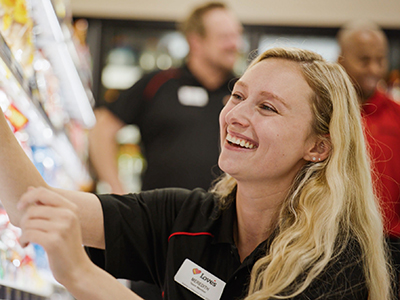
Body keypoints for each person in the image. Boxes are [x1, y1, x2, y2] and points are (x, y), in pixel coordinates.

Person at [0, 47, 393, 299]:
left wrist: (81, 275)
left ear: (318, 146)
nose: (236, 116)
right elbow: (30, 205)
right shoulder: (187, 217)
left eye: (267, 108)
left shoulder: (339, 261)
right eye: (237, 96)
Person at [88, 2, 243, 194]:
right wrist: (118, 192)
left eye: (237, 34)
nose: (235, 44)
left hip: (225, 217)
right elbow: (101, 129)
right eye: (224, 37)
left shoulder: (243, 92)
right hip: (160, 219)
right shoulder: (159, 83)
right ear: (195, 41)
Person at [337, 20, 400, 295]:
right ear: (340, 60)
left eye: (380, 59)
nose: (374, 69)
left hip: (390, 248)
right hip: (332, 246)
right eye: (364, 60)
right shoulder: (322, 115)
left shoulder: (398, 117)